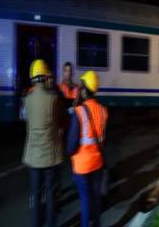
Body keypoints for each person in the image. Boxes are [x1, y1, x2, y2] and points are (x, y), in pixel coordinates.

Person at [22, 59, 64, 227]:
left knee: (36, 194)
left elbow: (27, 123)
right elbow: (59, 122)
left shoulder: (27, 99)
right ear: (45, 77)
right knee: (51, 194)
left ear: (33, 78)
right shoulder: (54, 98)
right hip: (50, 156)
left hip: (33, 156)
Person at [67, 71, 108, 227]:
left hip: (81, 167)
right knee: (96, 199)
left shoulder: (79, 111)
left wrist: (70, 154)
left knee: (85, 202)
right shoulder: (104, 111)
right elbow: (103, 139)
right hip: (97, 163)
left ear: (84, 90)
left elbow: (71, 145)